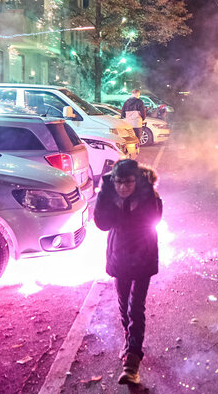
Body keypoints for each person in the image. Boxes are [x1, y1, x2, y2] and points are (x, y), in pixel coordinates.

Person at [93, 159, 162, 385]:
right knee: (123, 305)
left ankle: (132, 361)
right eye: (118, 182)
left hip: (143, 257)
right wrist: (104, 194)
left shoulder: (148, 194)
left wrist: (145, 195)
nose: (123, 187)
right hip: (119, 257)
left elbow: (154, 219)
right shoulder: (110, 192)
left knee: (135, 307)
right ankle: (130, 339)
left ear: (137, 180)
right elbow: (102, 223)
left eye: (128, 182)